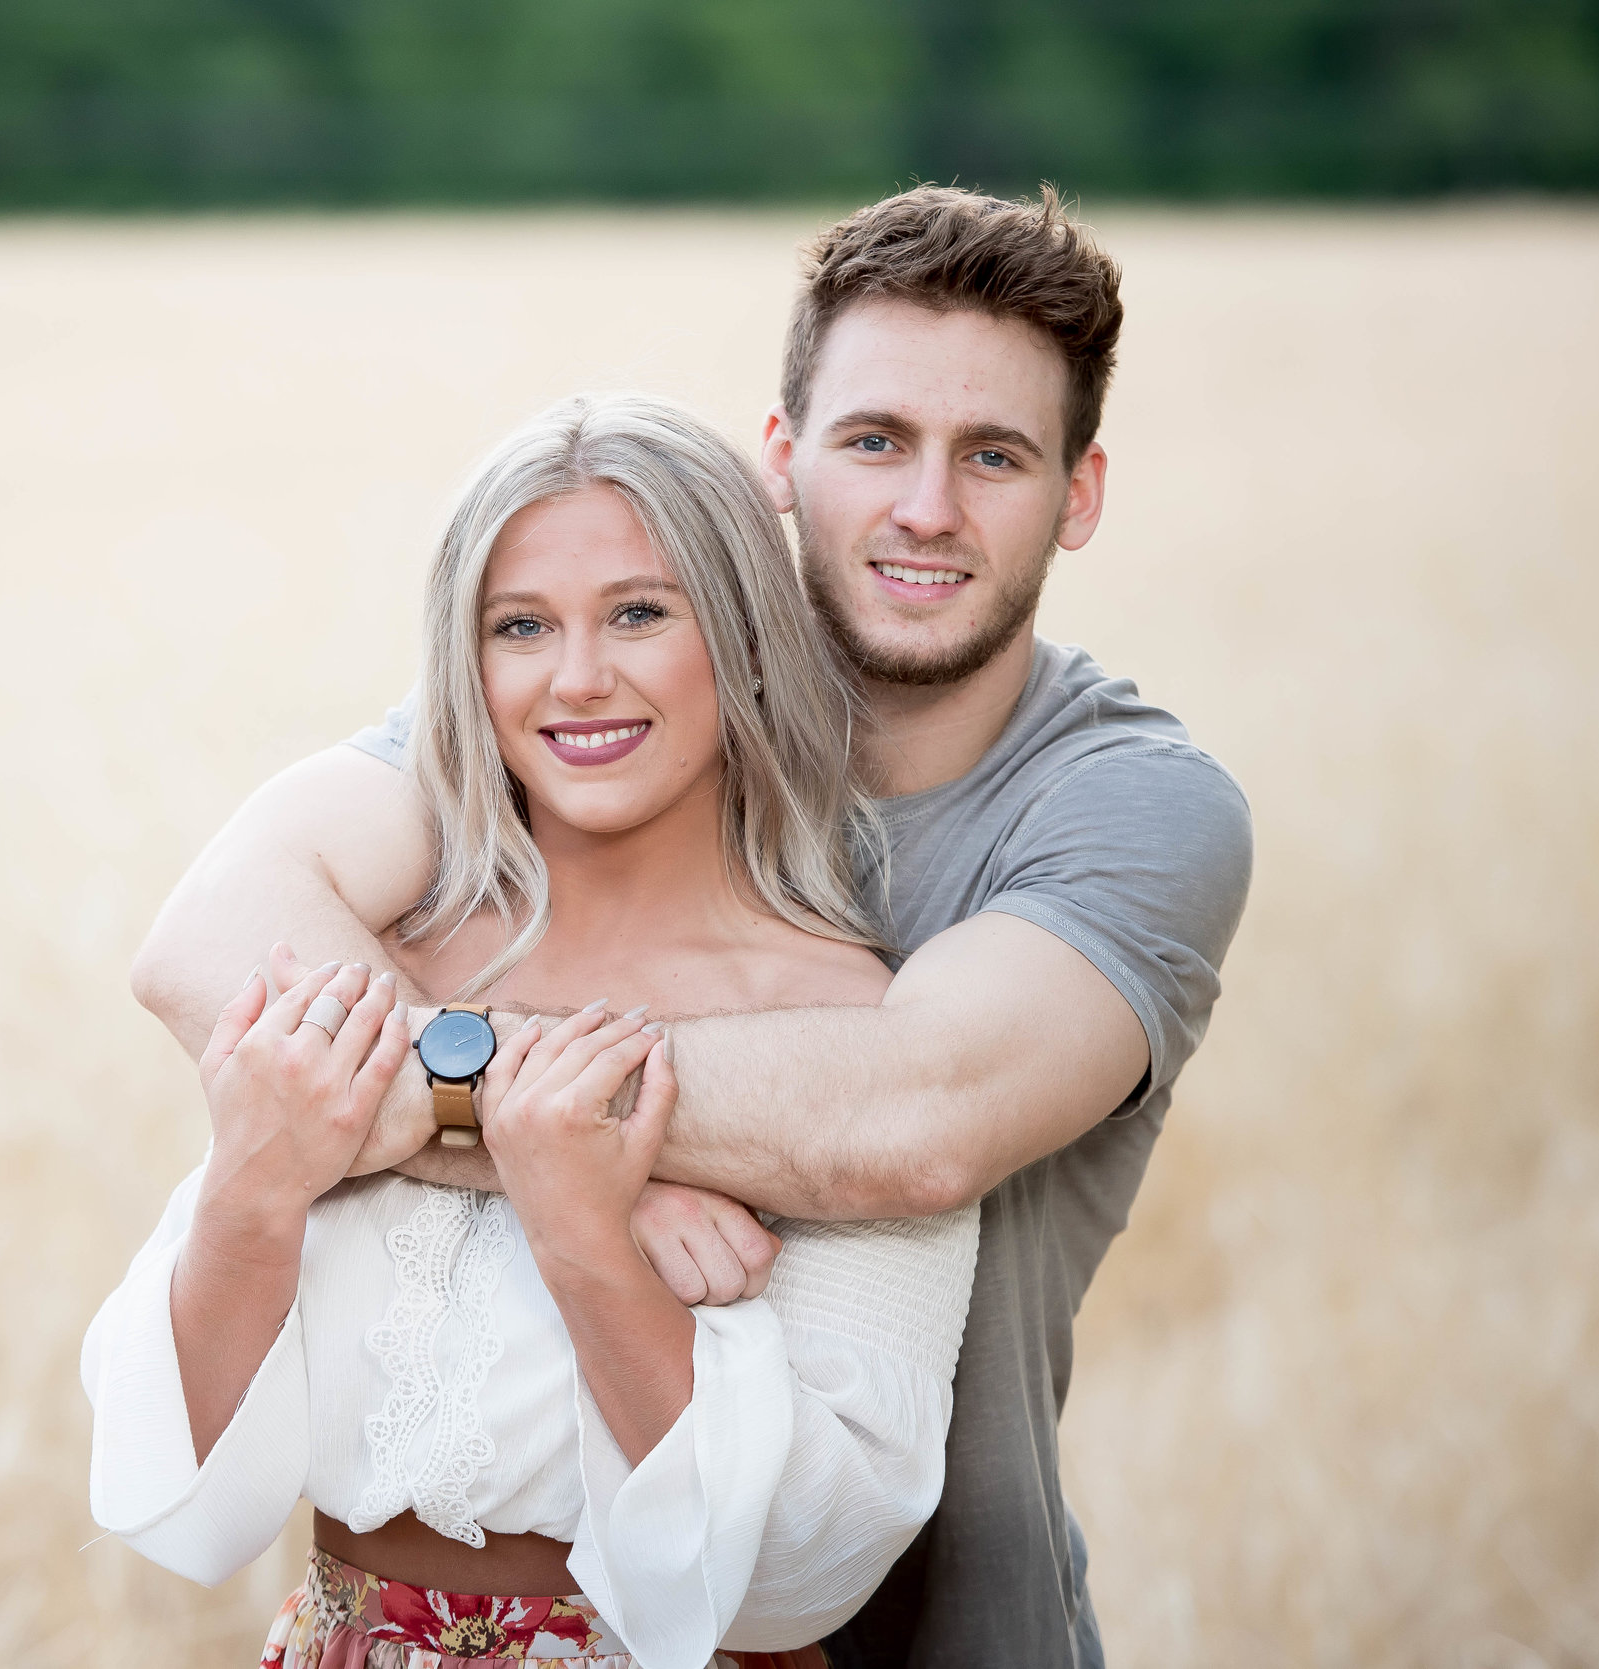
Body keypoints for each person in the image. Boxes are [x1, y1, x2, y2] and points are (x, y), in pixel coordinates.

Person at [129, 186, 1254, 1669]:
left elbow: (906, 1123)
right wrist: (550, 1158)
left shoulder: (1129, 805)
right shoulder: (614, 691)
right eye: (874, 442)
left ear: (1081, 493)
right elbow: (205, 940)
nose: (926, 507)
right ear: (783, 462)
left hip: (940, 1631)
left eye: (994, 455)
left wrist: (469, 1107)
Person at [87, 395, 986, 1668]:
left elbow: (802, 1571)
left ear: (742, 638)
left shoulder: (842, 1036)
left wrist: (585, 1229)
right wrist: (254, 1186)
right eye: (520, 627)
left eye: (638, 612)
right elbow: (177, 1501)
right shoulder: (380, 967)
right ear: (469, 665)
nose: (575, 678)